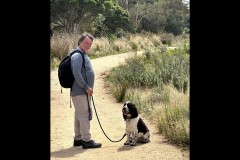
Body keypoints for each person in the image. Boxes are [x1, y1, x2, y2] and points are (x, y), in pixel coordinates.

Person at [70, 32, 102, 149]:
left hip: (81, 92)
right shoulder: (78, 55)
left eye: (90, 43)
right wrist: (86, 87)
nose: (88, 45)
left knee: (79, 115)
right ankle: (86, 140)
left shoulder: (81, 54)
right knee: (84, 115)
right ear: (80, 42)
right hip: (80, 92)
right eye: (86, 43)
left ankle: (78, 139)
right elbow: (76, 73)